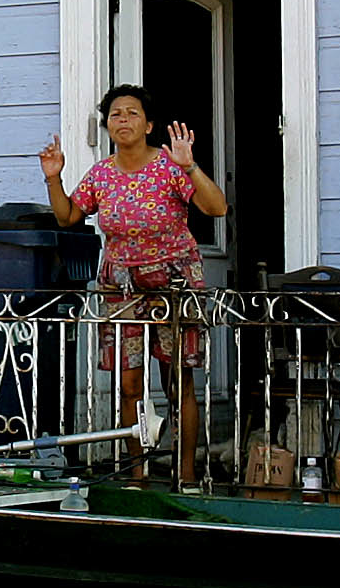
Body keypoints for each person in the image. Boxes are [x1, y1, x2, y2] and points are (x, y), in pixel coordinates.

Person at [41, 84, 224, 481]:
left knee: (178, 382)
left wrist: (190, 166)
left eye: (132, 113)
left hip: (174, 284)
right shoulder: (102, 173)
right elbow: (68, 217)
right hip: (122, 287)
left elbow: (217, 207)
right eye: (115, 114)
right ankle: (137, 475)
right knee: (129, 383)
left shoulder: (170, 166)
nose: (123, 120)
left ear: (149, 125)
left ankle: (186, 475)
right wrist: (54, 178)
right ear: (108, 125)